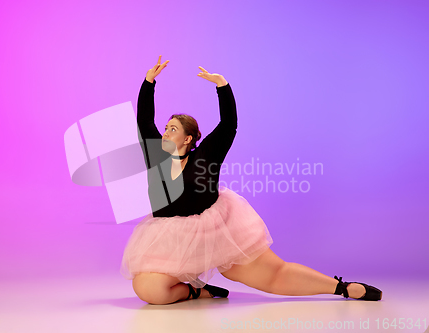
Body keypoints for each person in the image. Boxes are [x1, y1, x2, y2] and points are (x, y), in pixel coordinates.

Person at [120, 55, 382, 305]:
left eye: (172, 129)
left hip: (216, 232)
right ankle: (197, 291)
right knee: (149, 289)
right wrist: (148, 83)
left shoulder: (205, 157)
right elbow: (144, 120)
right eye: (165, 128)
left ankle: (342, 288)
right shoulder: (157, 158)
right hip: (171, 240)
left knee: (274, 274)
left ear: (188, 140)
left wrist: (222, 86)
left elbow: (228, 124)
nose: (165, 132)